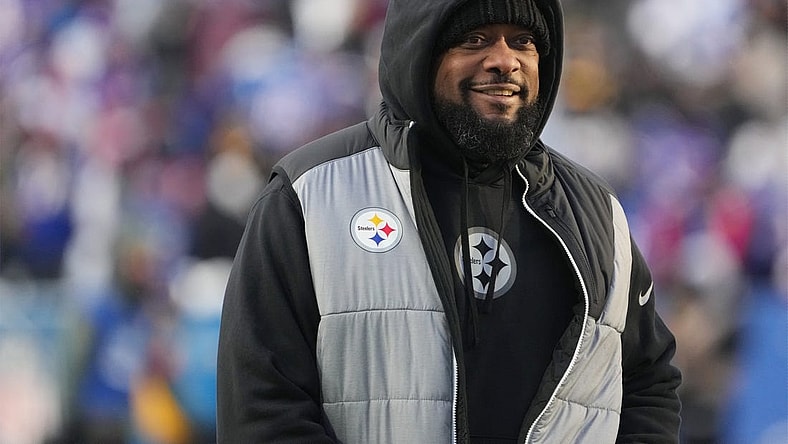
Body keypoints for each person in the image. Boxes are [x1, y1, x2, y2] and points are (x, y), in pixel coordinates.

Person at [216, 0, 683, 442]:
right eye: (475, 39)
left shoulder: (597, 212)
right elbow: (262, 407)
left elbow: (647, 383)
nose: (505, 61)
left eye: (523, 41)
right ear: (418, 51)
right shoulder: (310, 195)